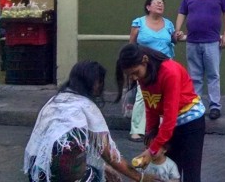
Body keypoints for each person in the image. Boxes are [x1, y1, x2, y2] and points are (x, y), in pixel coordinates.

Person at [24, 60, 157, 182]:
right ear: (93, 82)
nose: (100, 86)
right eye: (100, 82)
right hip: (58, 174)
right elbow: (110, 155)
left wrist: (102, 166)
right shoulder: (86, 106)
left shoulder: (54, 101)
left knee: (94, 168)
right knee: (96, 176)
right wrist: (140, 177)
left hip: (36, 172)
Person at [116, 44, 206, 182]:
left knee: (191, 174)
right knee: (171, 172)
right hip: (171, 125)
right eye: (130, 75)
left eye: (135, 72)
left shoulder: (170, 72)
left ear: (145, 60)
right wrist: (151, 132)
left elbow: (170, 115)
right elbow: (151, 105)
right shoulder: (143, 76)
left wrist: (152, 151)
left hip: (191, 123)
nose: (134, 78)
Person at [174, 0, 225, 120]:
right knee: (195, 76)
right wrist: (177, 30)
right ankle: (196, 106)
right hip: (192, 42)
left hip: (212, 41)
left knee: (213, 75)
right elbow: (182, 12)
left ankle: (214, 106)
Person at [129, 0, 178, 142]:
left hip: (164, 65)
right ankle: (137, 130)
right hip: (144, 64)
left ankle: (161, 129)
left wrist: (177, 37)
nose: (160, 5)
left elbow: (172, 42)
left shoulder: (169, 24)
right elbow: (131, 44)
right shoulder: (139, 23)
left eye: (162, 3)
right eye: (157, 3)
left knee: (164, 96)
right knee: (141, 96)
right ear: (148, 7)